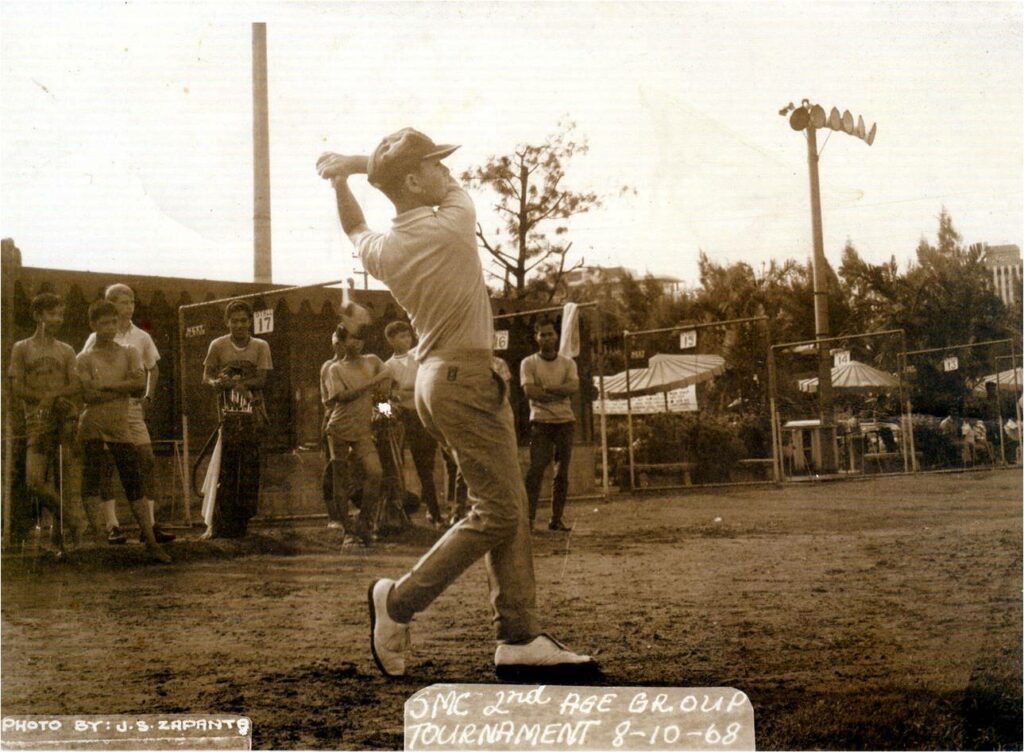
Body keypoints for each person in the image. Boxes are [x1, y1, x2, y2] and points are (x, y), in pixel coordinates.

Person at [318, 127, 596, 680]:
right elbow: (434, 189)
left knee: (507, 500)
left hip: (439, 377)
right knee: (498, 510)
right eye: (435, 165)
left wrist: (344, 176)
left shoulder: (387, 247)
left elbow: (353, 226)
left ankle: (519, 637)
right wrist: (356, 162)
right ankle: (397, 603)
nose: (447, 172)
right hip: (464, 377)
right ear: (415, 180)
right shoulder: (452, 220)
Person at [82, 283, 174, 545]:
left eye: (132, 301)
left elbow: (152, 369)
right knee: (107, 465)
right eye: (124, 302)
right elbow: (88, 375)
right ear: (111, 303)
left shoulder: (142, 337)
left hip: (132, 411)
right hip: (107, 411)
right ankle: (112, 525)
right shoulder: (96, 337)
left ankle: (151, 526)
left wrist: (148, 397)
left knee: (146, 460)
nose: (129, 307)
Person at [8, 293, 87, 552]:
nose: (58, 319)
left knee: (63, 476)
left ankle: (63, 540)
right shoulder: (22, 348)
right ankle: (72, 519)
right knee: (34, 480)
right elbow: (17, 387)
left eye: (61, 314)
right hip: (36, 422)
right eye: (52, 314)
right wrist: (42, 401)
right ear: (37, 315)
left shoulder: (65, 349)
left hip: (63, 416)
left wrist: (51, 398)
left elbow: (75, 384)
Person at [202, 300, 271, 539]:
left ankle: (243, 523)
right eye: (234, 320)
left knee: (249, 470)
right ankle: (218, 523)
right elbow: (207, 376)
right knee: (226, 468)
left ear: (250, 322)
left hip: (253, 414)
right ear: (227, 322)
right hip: (227, 414)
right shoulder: (218, 345)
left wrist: (235, 383)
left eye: (244, 320)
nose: (239, 325)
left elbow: (261, 380)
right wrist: (217, 383)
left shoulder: (261, 346)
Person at [321, 323, 391, 546]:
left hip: (362, 429)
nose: (356, 343)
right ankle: (348, 533)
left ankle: (363, 524)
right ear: (341, 342)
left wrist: (386, 412)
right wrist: (372, 383)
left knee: (376, 472)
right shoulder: (335, 368)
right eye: (351, 339)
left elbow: (384, 391)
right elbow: (341, 397)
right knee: (340, 479)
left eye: (360, 339)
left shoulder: (372, 360)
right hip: (339, 427)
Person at [384, 320, 444, 528]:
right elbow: (383, 398)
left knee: (425, 466)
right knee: (396, 465)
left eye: (408, 335)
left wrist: (405, 394)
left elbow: (426, 385)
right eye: (401, 336)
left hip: (421, 416)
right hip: (400, 420)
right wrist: (388, 416)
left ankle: (434, 513)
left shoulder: (419, 358)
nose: (406, 339)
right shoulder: (387, 366)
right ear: (391, 340)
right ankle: (400, 514)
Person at [521, 319, 579, 531]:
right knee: (536, 471)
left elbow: (573, 387)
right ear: (536, 338)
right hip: (541, 422)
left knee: (561, 472)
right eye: (542, 335)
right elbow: (530, 391)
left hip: (565, 422)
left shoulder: (568, 363)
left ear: (556, 336)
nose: (546, 338)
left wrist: (547, 389)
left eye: (550, 334)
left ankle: (556, 519)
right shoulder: (528, 363)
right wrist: (558, 391)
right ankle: (528, 519)